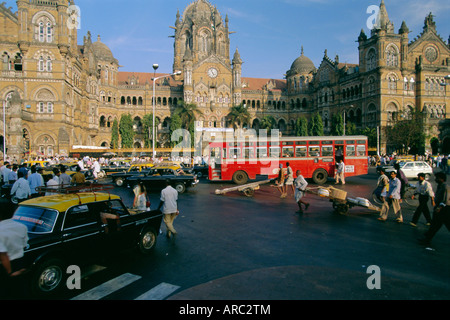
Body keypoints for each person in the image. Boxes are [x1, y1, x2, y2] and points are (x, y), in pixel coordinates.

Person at [0, 209, 29, 299]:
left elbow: (3, 256)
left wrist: (9, 273)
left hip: (5, 267)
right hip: (19, 262)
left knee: (5, 292)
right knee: (19, 290)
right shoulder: (22, 226)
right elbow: (24, 245)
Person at [418, 172, 450, 247]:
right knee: (434, 225)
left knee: (438, 225)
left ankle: (427, 238)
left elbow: (446, 199)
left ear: (441, 179)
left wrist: (440, 207)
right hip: (440, 208)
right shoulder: (440, 186)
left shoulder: (445, 187)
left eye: (437, 178)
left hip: (444, 209)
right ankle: (427, 239)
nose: (436, 179)